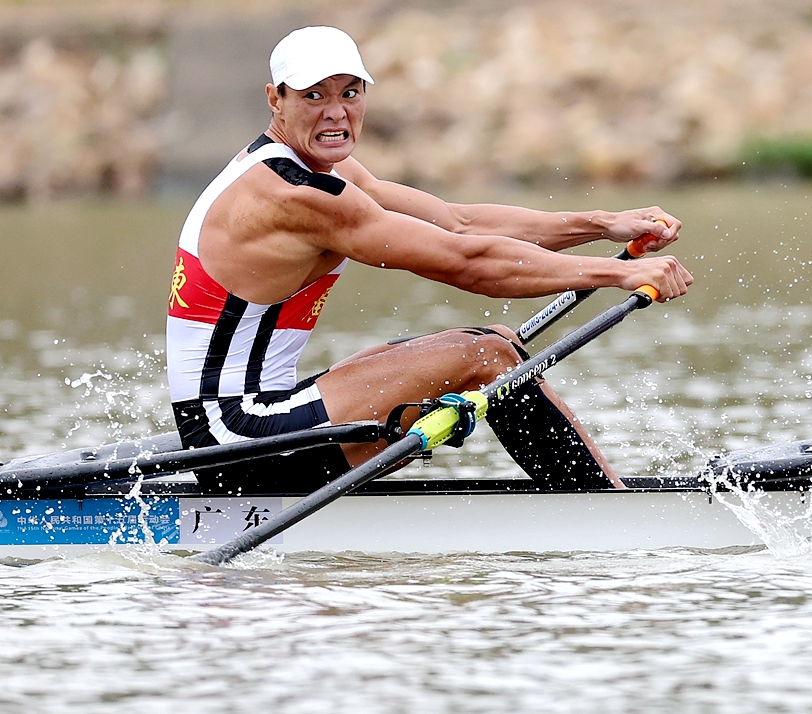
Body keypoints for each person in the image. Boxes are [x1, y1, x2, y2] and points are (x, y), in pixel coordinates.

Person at [167, 26, 693, 494]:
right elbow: (466, 262)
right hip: (237, 443)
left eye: (351, 93)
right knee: (487, 357)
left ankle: (597, 498)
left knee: (500, 342)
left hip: (256, 417)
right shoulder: (293, 195)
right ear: (274, 100)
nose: (336, 112)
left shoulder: (321, 170)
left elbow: (458, 223)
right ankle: (608, 513)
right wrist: (621, 273)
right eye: (313, 96)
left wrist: (602, 224)